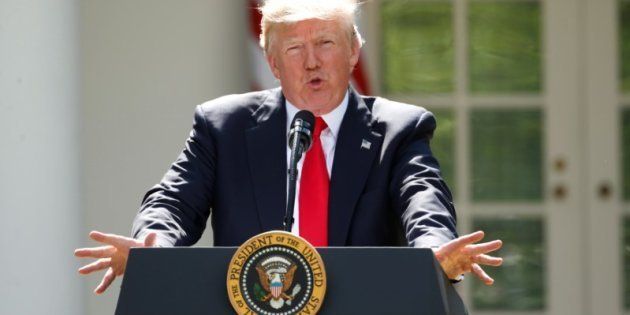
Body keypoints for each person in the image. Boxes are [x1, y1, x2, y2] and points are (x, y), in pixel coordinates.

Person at [75, 0, 502, 295]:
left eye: (326, 43)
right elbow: (173, 201)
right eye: (295, 49)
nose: (311, 61)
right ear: (274, 64)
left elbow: (423, 199)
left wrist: (433, 249)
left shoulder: (399, 128)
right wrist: (155, 246)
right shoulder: (223, 126)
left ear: (353, 51)